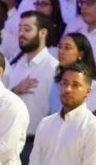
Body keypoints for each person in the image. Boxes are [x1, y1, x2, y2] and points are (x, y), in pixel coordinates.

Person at [10, 11, 59, 151]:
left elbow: (56, 112)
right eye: (20, 29)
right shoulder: (15, 64)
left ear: (42, 33)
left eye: (27, 29)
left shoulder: (54, 68)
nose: (21, 34)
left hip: (37, 143)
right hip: (11, 140)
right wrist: (15, 90)